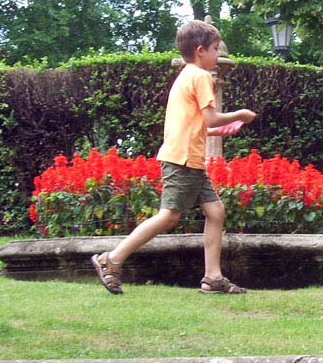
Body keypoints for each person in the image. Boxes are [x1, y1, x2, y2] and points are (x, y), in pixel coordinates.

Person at [91, 19, 257, 295]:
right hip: (182, 160)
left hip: (186, 157)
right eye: (216, 49)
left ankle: (213, 277)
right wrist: (240, 114)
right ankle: (111, 259)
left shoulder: (186, 75)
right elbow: (210, 116)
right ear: (201, 50)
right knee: (169, 215)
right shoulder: (202, 77)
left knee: (215, 211)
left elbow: (196, 124)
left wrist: (217, 132)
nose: (218, 55)